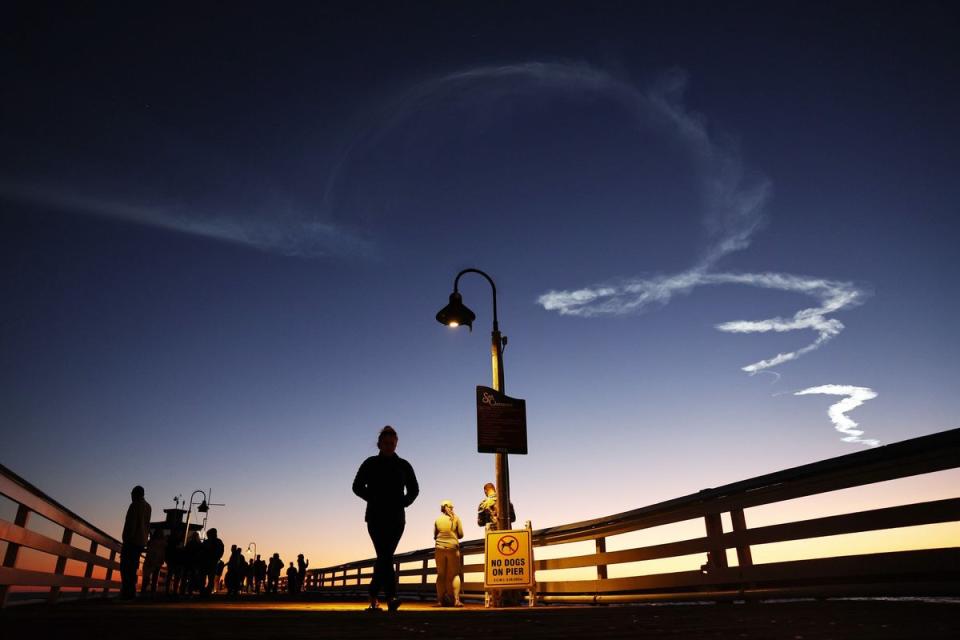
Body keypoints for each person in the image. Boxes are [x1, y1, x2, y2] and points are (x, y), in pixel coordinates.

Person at [352, 425, 419, 612]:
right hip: (375, 516)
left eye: (392, 443)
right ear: (379, 444)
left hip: (397, 518)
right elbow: (356, 486)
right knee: (385, 555)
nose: (389, 446)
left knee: (385, 556)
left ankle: (374, 594)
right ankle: (391, 597)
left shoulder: (404, 465)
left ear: (396, 444)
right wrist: (372, 498)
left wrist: (404, 502)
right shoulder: (370, 463)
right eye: (386, 443)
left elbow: (414, 489)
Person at [120, 485, 152, 600]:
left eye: (132, 494)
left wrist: (127, 538)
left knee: (125, 567)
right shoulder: (148, 507)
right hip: (141, 541)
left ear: (135, 494)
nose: (131, 496)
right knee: (133, 566)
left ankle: (126, 592)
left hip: (132, 541)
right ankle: (131, 591)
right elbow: (147, 525)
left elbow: (132, 524)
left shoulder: (135, 505)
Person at [434, 499, 464, 607]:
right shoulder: (456, 518)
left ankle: (440, 601)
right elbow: (461, 535)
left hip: (439, 548)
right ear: (451, 507)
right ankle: (456, 600)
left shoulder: (437, 520)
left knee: (440, 575)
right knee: (455, 574)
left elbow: (434, 536)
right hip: (453, 548)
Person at [141, 529, 166, 596]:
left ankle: (150, 593)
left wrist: (161, 560)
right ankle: (145, 592)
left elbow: (163, 552)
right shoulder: (157, 542)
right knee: (148, 577)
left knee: (153, 578)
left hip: (155, 561)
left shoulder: (154, 541)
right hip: (150, 561)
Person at [201, 528, 224, 595]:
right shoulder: (217, 542)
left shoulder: (209, 542)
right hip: (210, 561)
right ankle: (206, 590)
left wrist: (217, 557)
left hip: (210, 561)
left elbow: (221, 551)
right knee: (209, 577)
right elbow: (221, 551)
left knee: (209, 577)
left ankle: (206, 591)